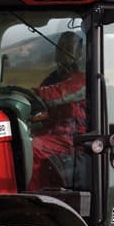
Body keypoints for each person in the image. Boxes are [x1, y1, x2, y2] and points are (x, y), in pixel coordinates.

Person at [31, 29, 87, 189]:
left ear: (79, 53)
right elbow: (41, 107)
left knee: (33, 148)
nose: (63, 53)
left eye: (68, 49)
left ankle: (31, 195)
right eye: (60, 48)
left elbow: (57, 94)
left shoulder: (83, 78)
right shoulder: (53, 78)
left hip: (75, 137)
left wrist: (29, 93)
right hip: (54, 132)